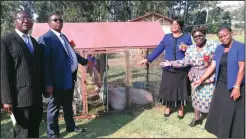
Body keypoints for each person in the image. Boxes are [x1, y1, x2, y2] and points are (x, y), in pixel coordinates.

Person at [38, 12, 92, 138]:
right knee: (54, 108)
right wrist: (48, 84)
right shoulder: (46, 38)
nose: (58, 22)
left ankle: (71, 126)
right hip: (56, 82)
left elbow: (71, 53)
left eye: (60, 20)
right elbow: (45, 64)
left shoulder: (63, 37)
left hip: (69, 78)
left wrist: (84, 61)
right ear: (49, 23)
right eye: (55, 20)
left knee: (68, 104)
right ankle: (52, 134)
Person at [160, 26, 218, 126]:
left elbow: (217, 60)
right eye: (195, 37)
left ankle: (212, 119)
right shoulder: (191, 49)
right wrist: (171, 63)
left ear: (204, 35)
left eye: (200, 35)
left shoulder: (213, 45)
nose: (198, 38)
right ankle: (196, 118)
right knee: (195, 97)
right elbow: (185, 61)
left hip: (208, 76)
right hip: (195, 77)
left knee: (209, 98)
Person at [193, 26, 245, 138]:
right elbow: (213, 66)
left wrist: (237, 87)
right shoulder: (219, 48)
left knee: (230, 111)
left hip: (234, 84)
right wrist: (201, 79)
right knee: (219, 109)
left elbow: (242, 68)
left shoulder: (240, 47)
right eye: (220, 37)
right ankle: (219, 132)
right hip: (221, 83)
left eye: (225, 35)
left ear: (231, 33)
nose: (223, 38)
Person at [137, 17, 192, 119]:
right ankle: (168, 106)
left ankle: (181, 108)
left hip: (182, 69)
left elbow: (192, 52)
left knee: (181, 89)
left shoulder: (187, 37)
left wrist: (187, 48)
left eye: (176, 24)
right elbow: (158, 49)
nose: (173, 26)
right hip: (168, 69)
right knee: (168, 89)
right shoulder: (167, 37)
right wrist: (147, 59)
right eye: (172, 24)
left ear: (181, 26)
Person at [1, 11, 44, 138]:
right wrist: (6, 100)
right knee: (22, 133)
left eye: (29, 18)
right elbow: (3, 72)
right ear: (15, 21)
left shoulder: (34, 42)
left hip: (36, 97)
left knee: (34, 132)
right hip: (20, 98)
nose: (26, 21)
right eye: (22, 18)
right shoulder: (6, 41)